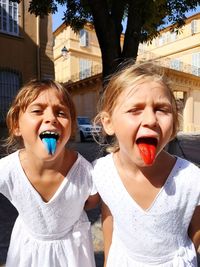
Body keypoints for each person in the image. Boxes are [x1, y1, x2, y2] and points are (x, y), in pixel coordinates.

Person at [92, 61, 200, 266]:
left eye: (161, 109)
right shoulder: (102, 172)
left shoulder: (191, 178)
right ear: (108, 123)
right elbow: (109, 218)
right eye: (135, 109)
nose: (150, 119)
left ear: (175, 125)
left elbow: (196, 231)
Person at [0, 79, 99, 267]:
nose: (51, 118)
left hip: (72, 255)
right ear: (16, 125)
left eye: (61, 113)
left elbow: (90, 200)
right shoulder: (7, 170)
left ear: (71, 128)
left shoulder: (85, 172)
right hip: (27, 253)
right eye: (37, 111)